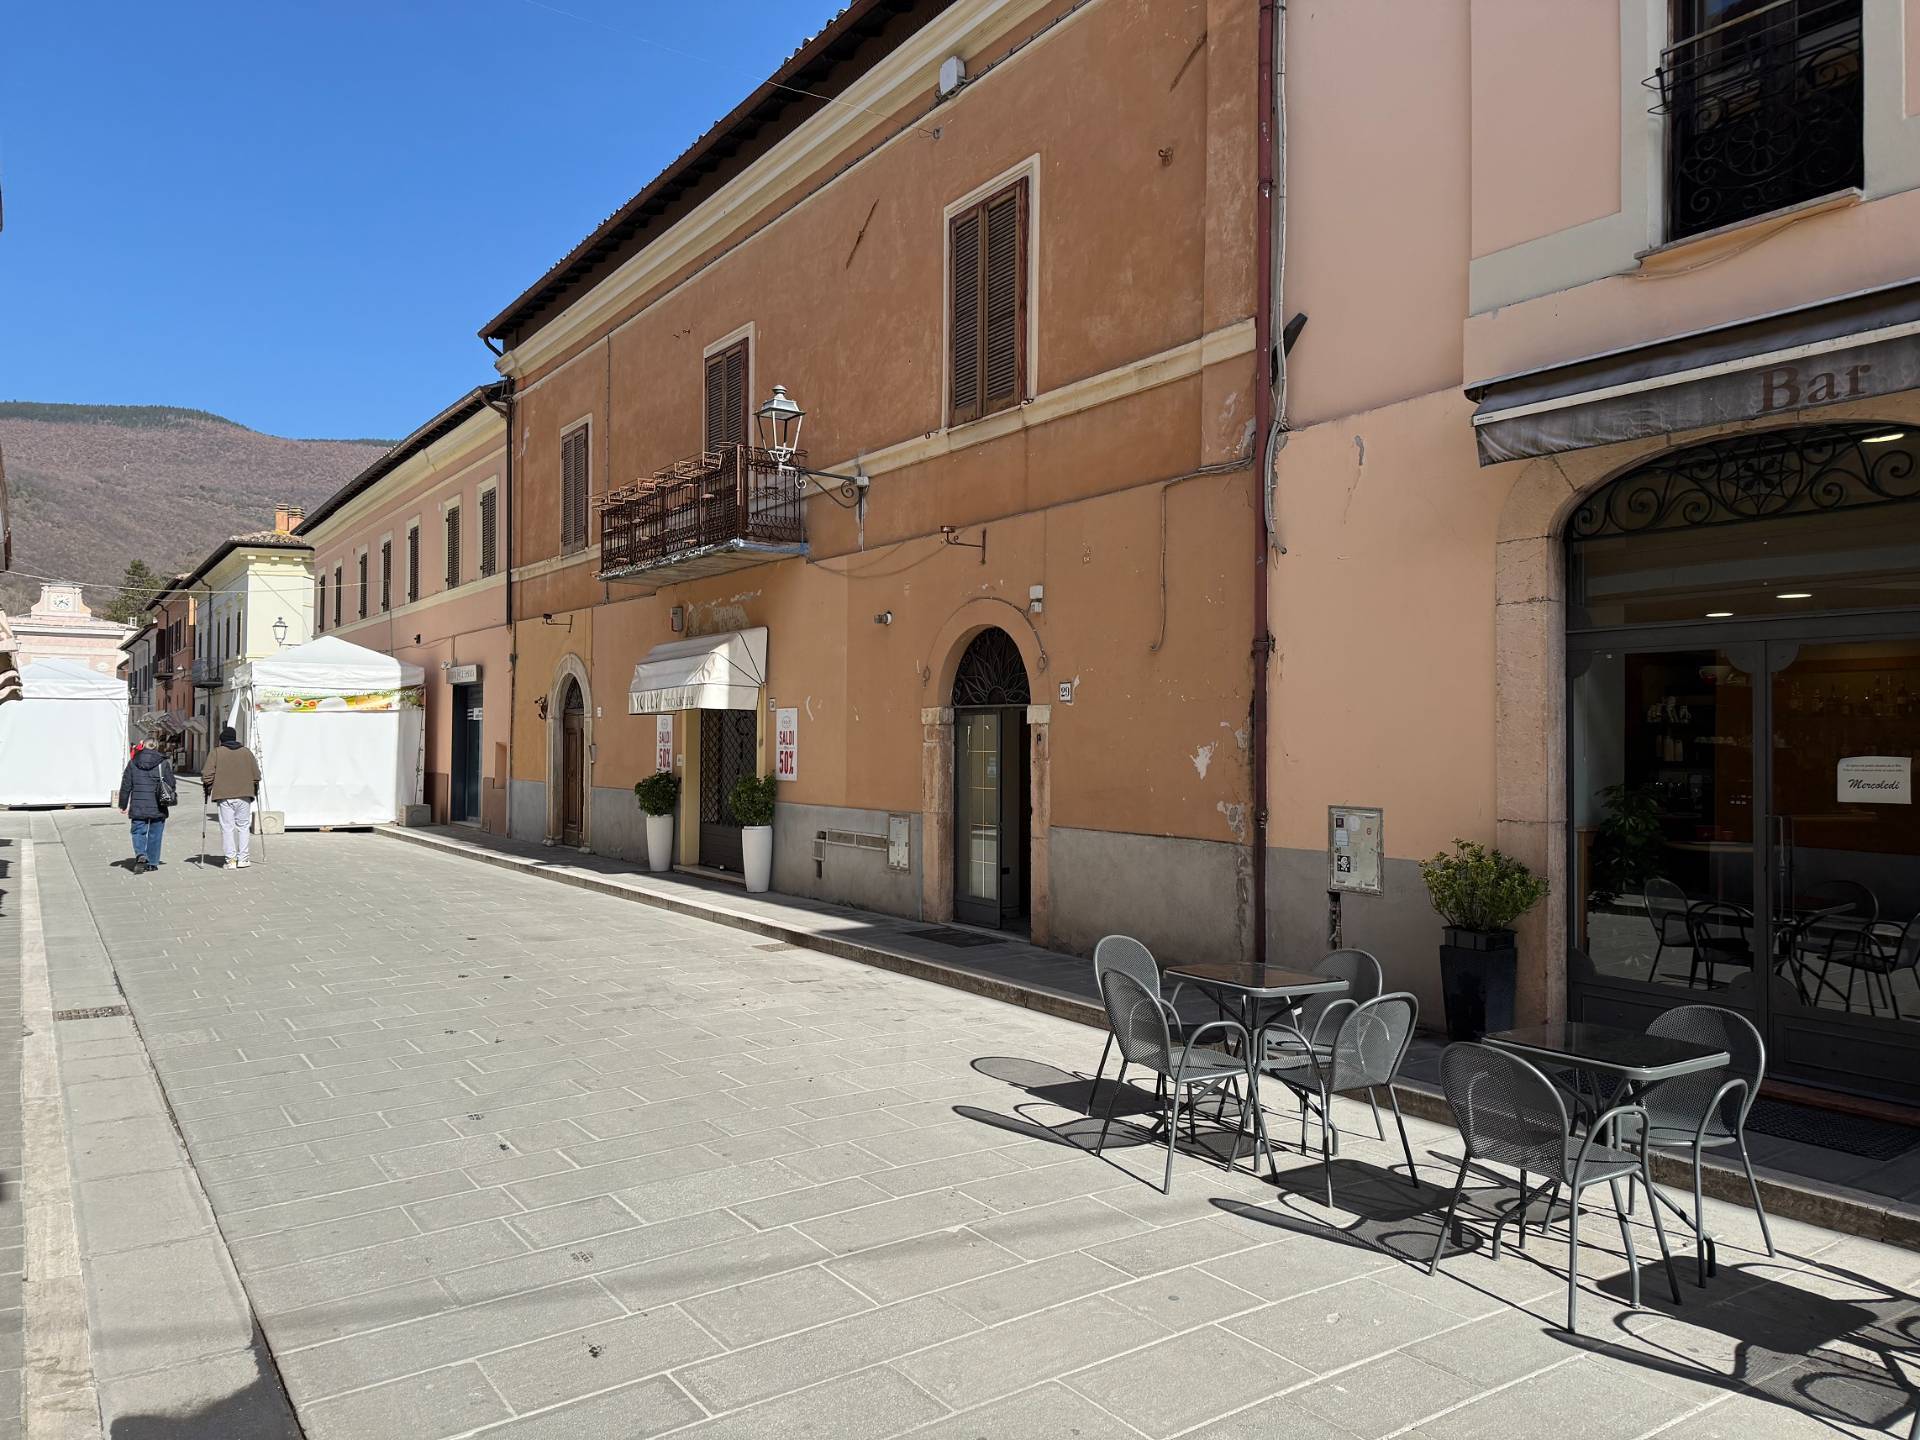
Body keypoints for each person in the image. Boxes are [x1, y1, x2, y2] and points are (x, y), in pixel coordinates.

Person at [201, 725, 261, 870]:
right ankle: (244, 858)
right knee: (243, 827)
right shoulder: (247, 752)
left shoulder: (216, 752)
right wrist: (253, 786)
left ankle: (231, 860)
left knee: (227, 828)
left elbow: (207, 775)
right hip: (244, 795)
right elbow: (256, 775)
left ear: (222, 740)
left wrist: (208, 786)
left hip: (224, 796)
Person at [117, 740, 176, 875]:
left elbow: (126, 785)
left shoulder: (133, 763)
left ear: (142, 746)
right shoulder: (163, 763)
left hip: (138, 805)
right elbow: (171, 783)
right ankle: (153, 863)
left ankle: (141, 854)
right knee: (155, 833)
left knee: (138, 831)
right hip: (158, 805)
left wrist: (123, 804)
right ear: (156, 747)